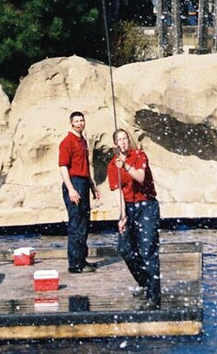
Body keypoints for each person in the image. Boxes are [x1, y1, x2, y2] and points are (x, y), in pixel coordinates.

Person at [107, 129, 161, 306]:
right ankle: (145, 282)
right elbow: (118, 192)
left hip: (147, 206)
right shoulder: (112, 165)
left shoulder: (139, 155)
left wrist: (126, 166)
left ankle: (154, 296)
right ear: (115, 144)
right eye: (119, 140)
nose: (122, 142)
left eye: (125, 139)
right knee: (125, 249)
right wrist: (122, 216)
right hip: (129, 207)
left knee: (147, 250)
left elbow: (140, 177)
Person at [58, 111, 100, 274]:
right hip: (73, 182)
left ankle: (81, 259)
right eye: (76, 121)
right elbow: (63, 166)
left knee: (84, 223)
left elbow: (85, 167)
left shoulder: (82, 141)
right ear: (71, 123)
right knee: (76, 224)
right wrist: (71, 189)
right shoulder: (67, 142)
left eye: (82, 120)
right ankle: (75, 264)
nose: (80, 123)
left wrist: (92, 186)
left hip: (83, 182)